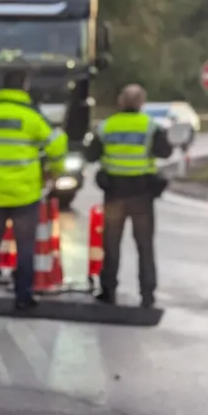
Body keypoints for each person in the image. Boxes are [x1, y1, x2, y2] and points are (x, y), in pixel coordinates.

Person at [0, 71, 68, 311]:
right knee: (25, 246)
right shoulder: (31, 117)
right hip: (25, 194)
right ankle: (23, 297)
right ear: (25, 86)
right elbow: (57, 144)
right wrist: (54, 170)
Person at [82, 83, 174, 308]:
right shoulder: (151, 127)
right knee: (144, 246)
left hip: (114, 194)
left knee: (111, 245)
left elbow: (91, 155)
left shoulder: (106, 127)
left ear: (120, 102)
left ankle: (108, 291)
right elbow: (165, 152)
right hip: (142, 195)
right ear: (142, 102)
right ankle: (147, 295)